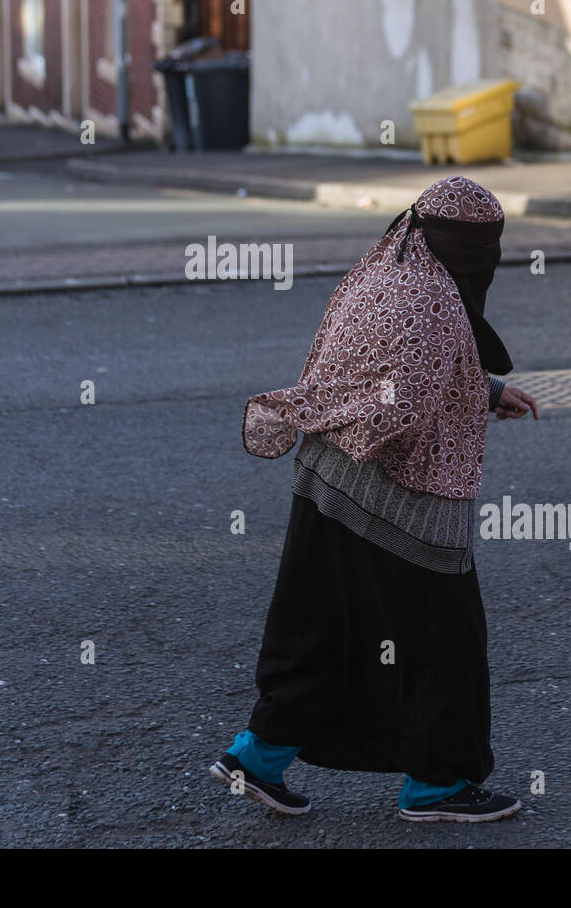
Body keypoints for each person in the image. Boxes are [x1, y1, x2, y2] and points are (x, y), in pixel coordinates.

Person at [212, 175, 539, 823]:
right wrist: (463, 401)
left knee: (322, 626)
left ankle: (259, 755)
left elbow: (388, 366)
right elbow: (407, 401)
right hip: (403, 499)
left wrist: (484, 388)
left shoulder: (390, 262)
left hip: (326, 475)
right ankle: (438, 784)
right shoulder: (435, 297)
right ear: (472, 250)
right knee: (443, 638)